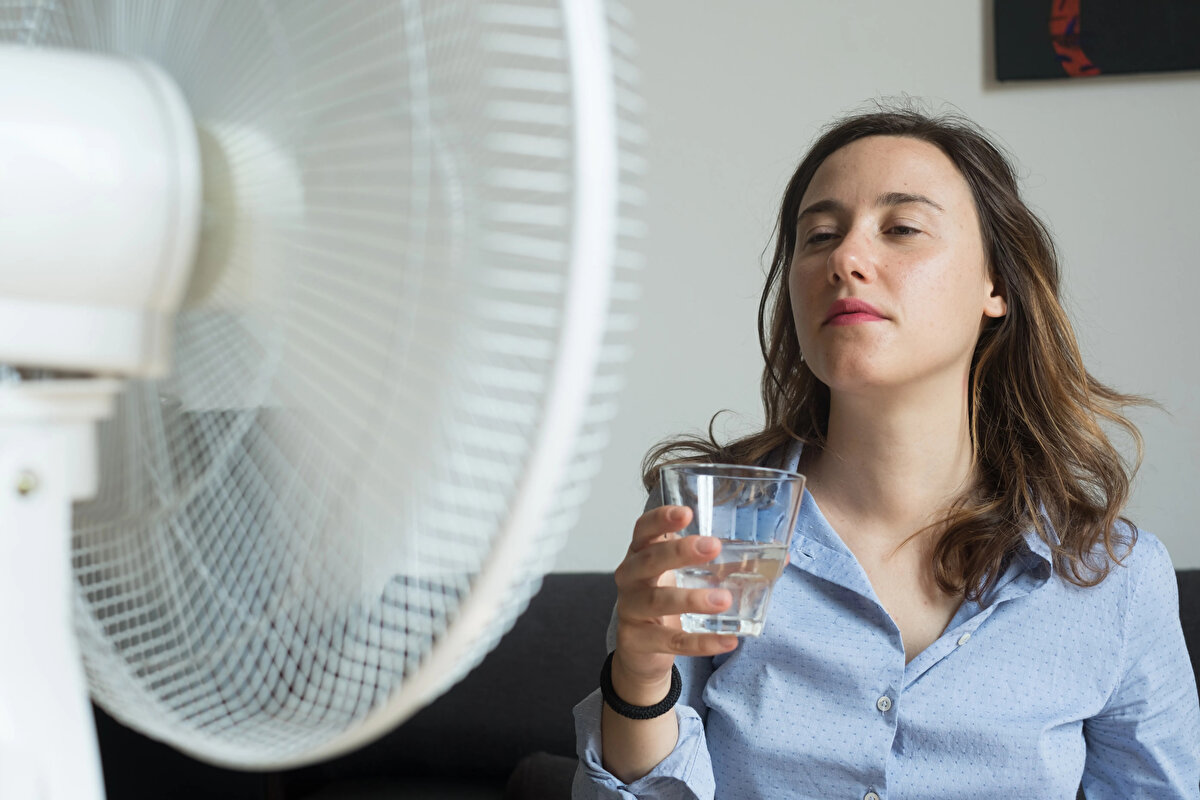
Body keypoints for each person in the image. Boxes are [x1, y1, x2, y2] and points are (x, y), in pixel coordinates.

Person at [571, 104, 1200, 799]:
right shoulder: (714, 525)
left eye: (901, 228)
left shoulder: (1114, 580)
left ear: (997, 286)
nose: (845, 258)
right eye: (818, 236)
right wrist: (637, 676)